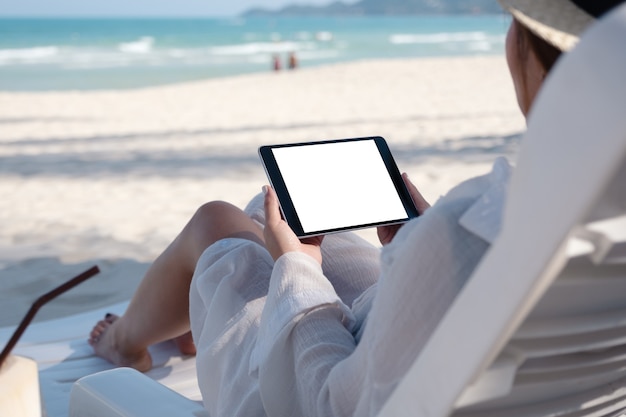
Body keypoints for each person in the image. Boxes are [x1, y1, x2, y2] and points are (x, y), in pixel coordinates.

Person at [89, 1, 624, 416]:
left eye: (517, 24)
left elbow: (320, 402)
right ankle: (206, 314)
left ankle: (126, 342)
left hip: (297, 393)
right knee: (273, 214)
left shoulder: (470, 229)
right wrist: (421, 235)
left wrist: (296, 269)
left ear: (539, 57)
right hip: (453, 364)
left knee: (221, 222)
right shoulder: (572, 217)